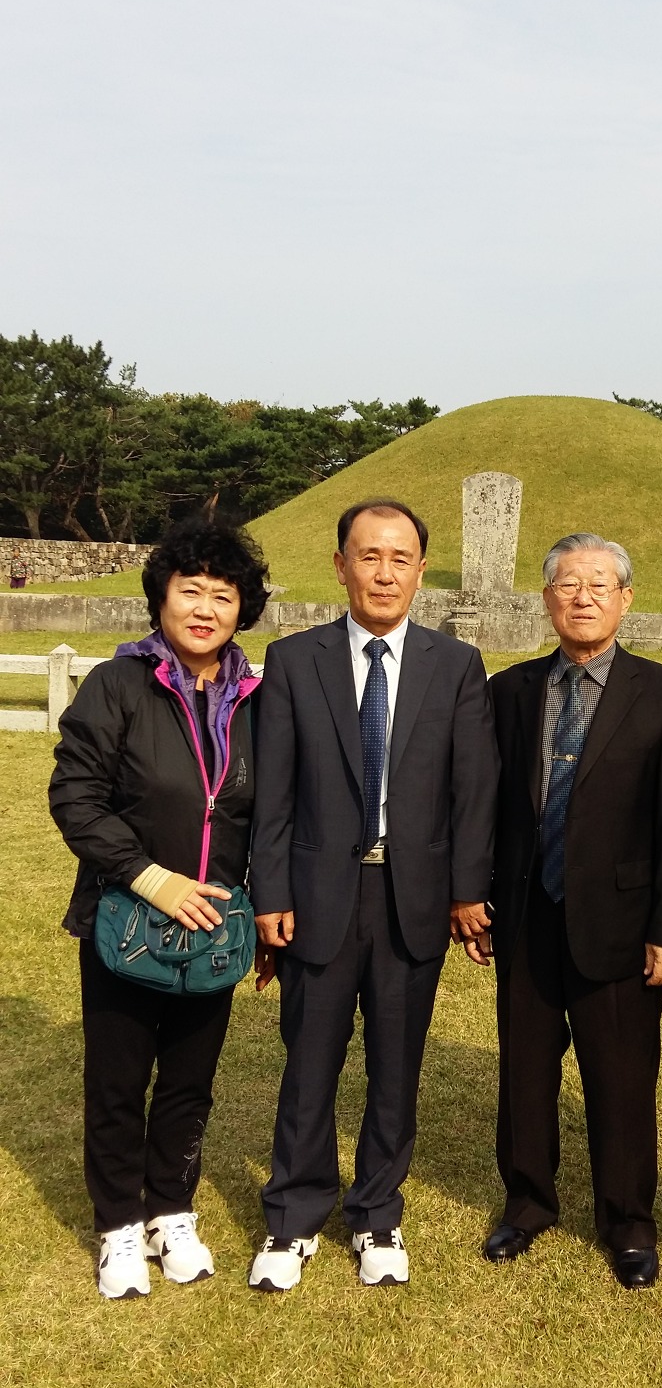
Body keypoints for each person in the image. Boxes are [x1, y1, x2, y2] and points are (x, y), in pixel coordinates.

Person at [248, 498, 499, 1292]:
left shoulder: (455, 664)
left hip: (411, 896)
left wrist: (466, 891)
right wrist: (269, 892)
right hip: (316, 894)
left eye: (400, 559)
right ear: (340, 566)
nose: (384, 573)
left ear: (421, 571)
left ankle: (377, 1212)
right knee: (308, 1064)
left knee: (397, 1066)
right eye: (369, 556)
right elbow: (274, 793)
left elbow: (473, 790)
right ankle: (293, 1215)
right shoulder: (295, 661)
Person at [49, 515, 270, 1300]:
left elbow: (270, 813)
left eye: (224, 594)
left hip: (215, 927)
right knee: (117, 1080)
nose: (205, 608)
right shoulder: (119, 685)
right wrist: (151, 878)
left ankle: (170, 1210)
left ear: (243, 608)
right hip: (128, 917)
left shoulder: (256, 699)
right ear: (162, 597)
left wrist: (265, 910)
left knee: (189, 1079)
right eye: (191, 590)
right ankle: (117, 1223)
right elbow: (75, 796)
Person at [480, 533, 662, 1289]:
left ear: (625, 599)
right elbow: (489, 805)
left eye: (599, 585)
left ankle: (628, 1221)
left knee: (623, 1077)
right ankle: (527, 1202)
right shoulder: (510, 691)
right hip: (527, 911)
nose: (583, 597)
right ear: (547, 598)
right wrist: (476, 894)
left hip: (622, 920)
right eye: (568, 584)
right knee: (525, 1071)